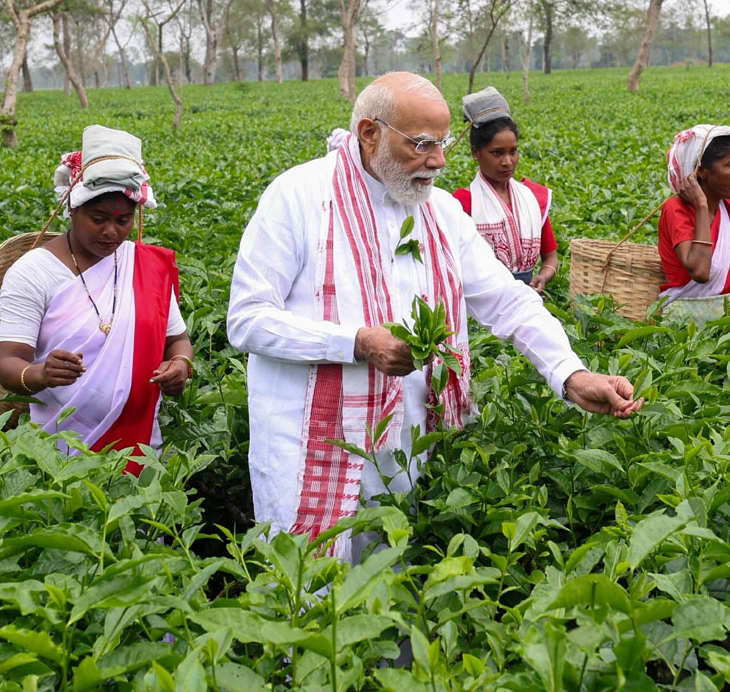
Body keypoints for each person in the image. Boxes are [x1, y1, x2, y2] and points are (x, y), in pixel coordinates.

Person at [227, 72, 642, 563]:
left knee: (395, 586)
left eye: (442, 143)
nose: (439, 161)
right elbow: (248, 318)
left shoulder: (441, 212)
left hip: (407, 444)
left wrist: (570, 374)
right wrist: (357, 343)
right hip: (312, 446)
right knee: (309, 596)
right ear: (370, 132)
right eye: (422, 144)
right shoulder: (298, 197)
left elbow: (507, 299)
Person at [0, 125, 194, 475]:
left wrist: (180, 366)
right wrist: (41, 373)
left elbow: (177, 341)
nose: (111, 231)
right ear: (72, 209)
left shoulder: (143, 266)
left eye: (123, 220)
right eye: (98, 219)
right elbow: (8, 363)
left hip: (142, 450)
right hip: (58, 453)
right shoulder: (32, 273)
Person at [451, 87, 559, 292]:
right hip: (482, 307)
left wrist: (543, 277)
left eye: (513, 152)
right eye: (497, 153)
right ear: (476, 153)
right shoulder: (463, 203)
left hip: (529, 299)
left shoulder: (533, 197)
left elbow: (551, 257)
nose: (507, 162)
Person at [657, 124, 730, 301]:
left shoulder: (726, 205)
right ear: (701, 171)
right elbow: (700, 271)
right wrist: (702, 207)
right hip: (685, 320)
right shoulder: (676, 209)